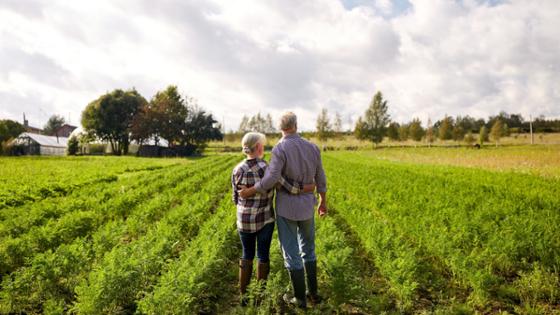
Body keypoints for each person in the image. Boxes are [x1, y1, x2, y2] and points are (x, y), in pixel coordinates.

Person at [240, 112, 327, 309]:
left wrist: (250, 191)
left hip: (286, 208)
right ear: (296, 125)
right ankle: (313, 293)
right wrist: (323, 201)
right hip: (306, 207)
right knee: (309, 249)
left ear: (281, 128)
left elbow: (271, 179)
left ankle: (300, 298)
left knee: (291, 252)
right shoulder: (312, 147)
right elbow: (321, 178)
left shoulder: (280, 149)